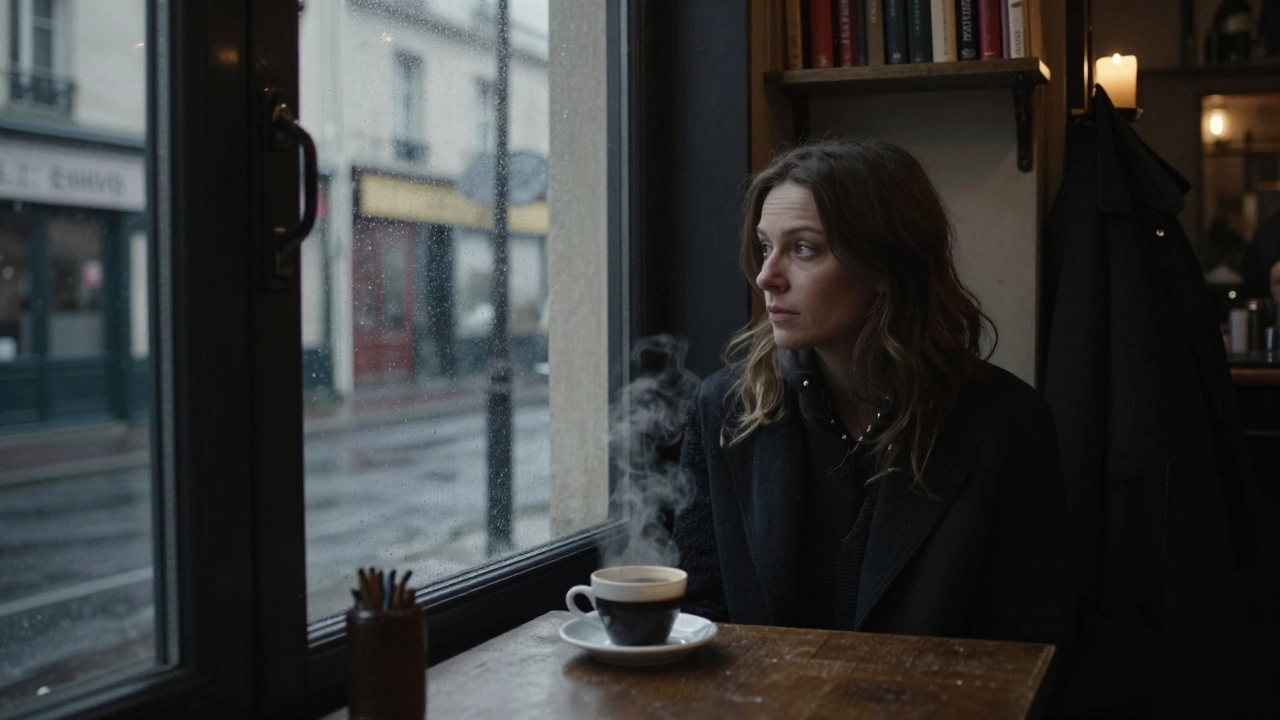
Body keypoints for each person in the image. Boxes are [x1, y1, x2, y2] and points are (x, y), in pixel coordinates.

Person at [673, 139, 1074, 651]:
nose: (767, 276)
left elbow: (1028, 641)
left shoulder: (1005, 423)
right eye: (764, 246)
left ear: (884, 266)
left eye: (802, 248)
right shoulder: (726, 411)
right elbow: (701, 611)